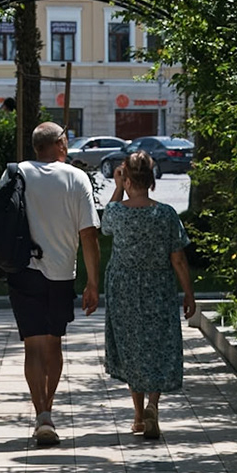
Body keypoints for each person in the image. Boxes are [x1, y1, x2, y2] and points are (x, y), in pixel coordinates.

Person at [4, 120, 100, 446]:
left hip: (22, 270)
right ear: (59, 144)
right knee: (53, 343)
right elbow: (88, 234)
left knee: (33, 345)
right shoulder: (76, 178)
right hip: (61, 274)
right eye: (66, 139)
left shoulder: (16, 173)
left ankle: (41, 415)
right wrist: (93, 283)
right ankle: (48, 409)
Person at [101, 150, 197, 439]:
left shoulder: (117, 212)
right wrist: (189, 294)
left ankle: (138, 415)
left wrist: (118, 187)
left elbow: (105, 226)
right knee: (155, 344)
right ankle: (154, 405)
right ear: (152, 181)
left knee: (132, 347)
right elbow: (178, 258)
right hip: (159, 288)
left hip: (124, 289)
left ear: (127, 178)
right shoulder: (166, 214)